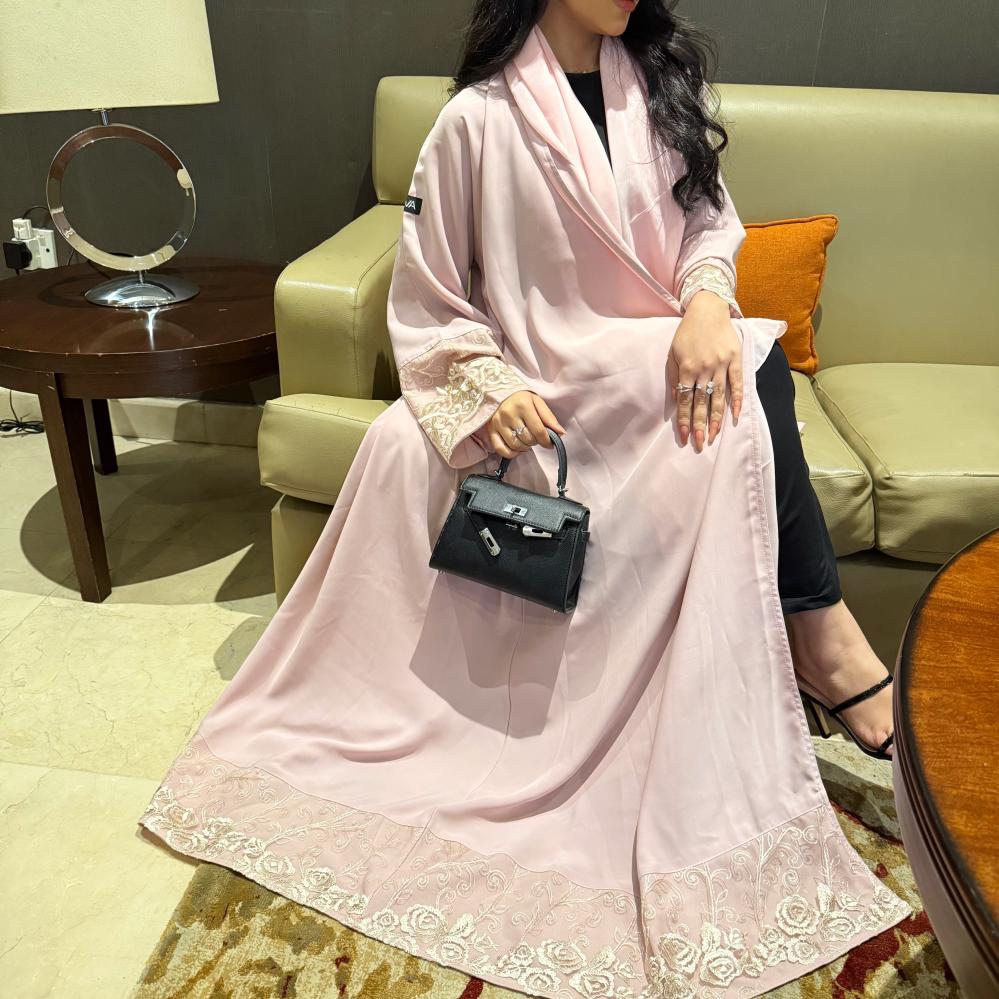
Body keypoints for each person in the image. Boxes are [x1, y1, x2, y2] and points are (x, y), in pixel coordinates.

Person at [138, 3, 912, 996]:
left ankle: (819, 638)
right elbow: (429, 296)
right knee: (753, 377)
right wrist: (486, 386)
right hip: (548, 373)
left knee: (744, 365)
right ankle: (827, 644)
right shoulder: (477, 122)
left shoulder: (658, 86)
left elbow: (710, 223)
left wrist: (707, 302)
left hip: (652, 353)